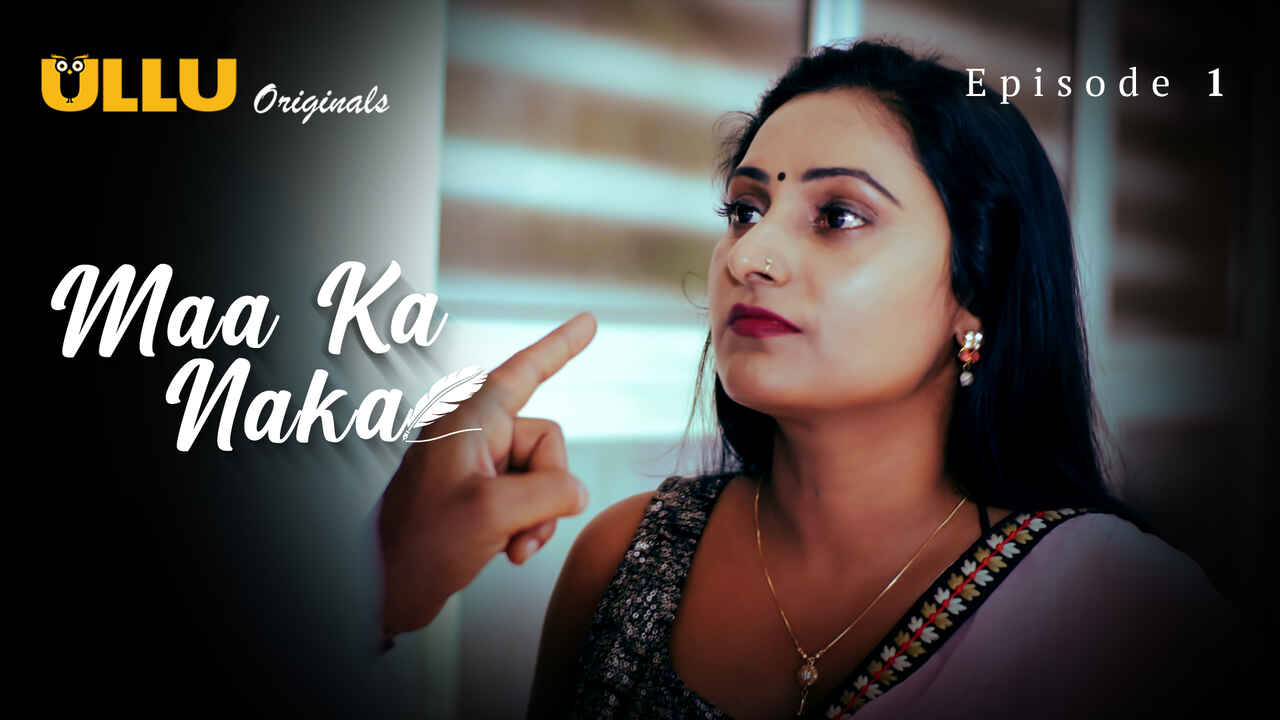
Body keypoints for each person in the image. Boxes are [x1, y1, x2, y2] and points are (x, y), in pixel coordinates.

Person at [376, 39, 1245, 718]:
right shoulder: (621, 559)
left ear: (974, 293)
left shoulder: (1123, 613)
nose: (749, 256)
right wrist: (382, 580)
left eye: (837, 215)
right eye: (744, 210)